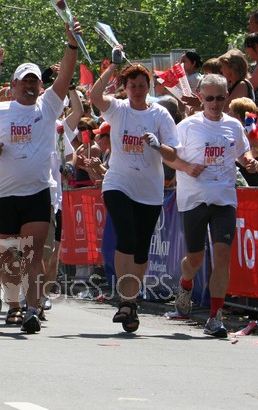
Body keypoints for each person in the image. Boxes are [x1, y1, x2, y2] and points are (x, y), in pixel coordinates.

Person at [0, 23, 80, 334]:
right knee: (8, 255)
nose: (30, 85)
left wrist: (71, 44)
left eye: (34, 81)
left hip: (37, 192)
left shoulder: (48, 108)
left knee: (32, 254)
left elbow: (64, 76)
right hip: (4, 193)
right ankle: (9, 300)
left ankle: (30, 309)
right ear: (14, 84)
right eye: (25, 81)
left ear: (40, 86)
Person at [89, 48, 179, 333]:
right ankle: (124, 299)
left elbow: (174, 153)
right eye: (133, 86)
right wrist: (112, 67)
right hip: (118, 183)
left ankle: (130, 302)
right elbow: (94, 97)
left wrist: (157, 145)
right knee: (126, 237)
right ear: (125, 88)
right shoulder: (119, 110)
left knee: (141, 248)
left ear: (148, 87)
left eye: (142, 86)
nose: (138, 91)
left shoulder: (160, 114)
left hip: (149, 190)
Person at [164, 74, 256, 337]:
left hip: (224, 199)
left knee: (223, 255)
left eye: (220, 98)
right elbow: (169, 156)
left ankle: (215, 317)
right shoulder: (187, 126)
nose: (215, 103)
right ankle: (185, 284)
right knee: (195, 259)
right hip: (194, 199)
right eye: (210, 98)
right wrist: (186, 167)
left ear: (227, 97)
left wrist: (249, 160)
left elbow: (243, 152)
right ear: (201, 97)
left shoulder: (234, 126)